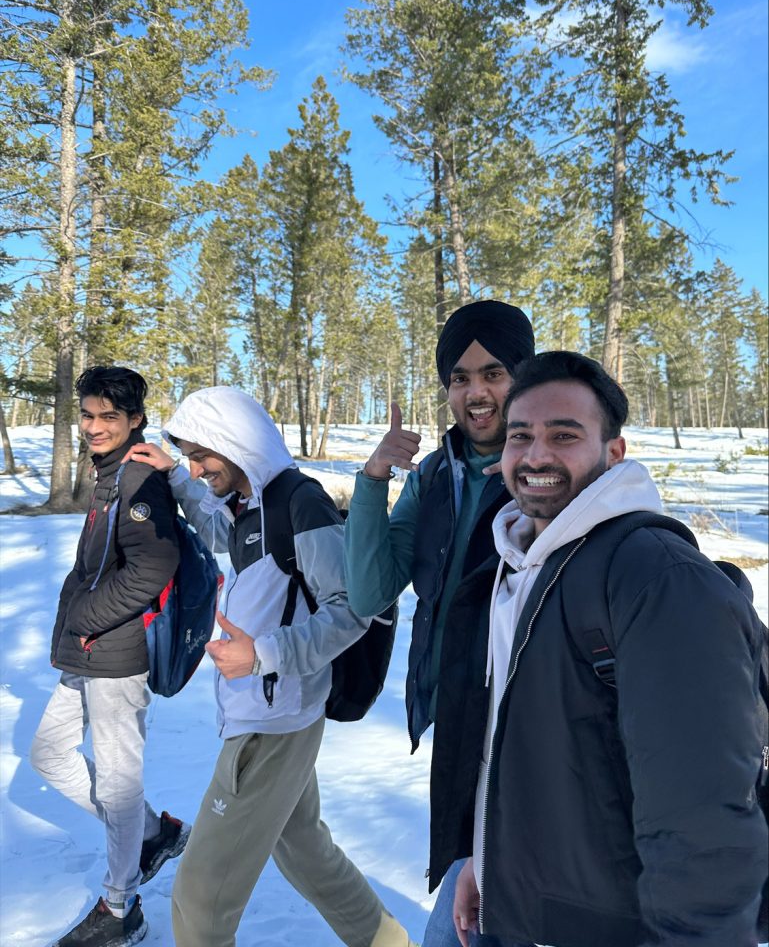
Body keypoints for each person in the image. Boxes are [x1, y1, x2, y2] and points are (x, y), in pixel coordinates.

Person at [452, 351, 768, 947]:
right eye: (521, 436)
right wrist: (487, 860)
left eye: (564, 435)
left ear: (614, 453)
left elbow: (702, 813)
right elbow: (515, 751)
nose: (537, 454)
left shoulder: (655, 576)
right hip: (522, 906)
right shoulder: (518, 563)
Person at [125, 385, 416, 947]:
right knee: (305, 850)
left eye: (200, 454)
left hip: (271, 724)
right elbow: (224, 535)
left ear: (233, 443)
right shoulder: (252, 502)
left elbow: (354, 607)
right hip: (270, 708)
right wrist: (180, 481)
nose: (195, 465)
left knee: (199, 901)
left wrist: (263, 654)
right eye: (187, 455)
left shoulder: (298, 502)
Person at [344, 300, 536, 947]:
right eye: (459, 377)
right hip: (452, 715)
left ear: (524, 375)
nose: (475, 392)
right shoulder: (434, 476)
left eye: (493, 373)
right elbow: (371, 588)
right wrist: (373, 478)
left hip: (517, 732)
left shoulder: (543, 478)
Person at [31, 366, 188, 947]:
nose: (95, 426)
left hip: (117, 655)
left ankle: (119, 907)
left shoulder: (137, 479)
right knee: (49, 752)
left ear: (135, 421)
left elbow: (155, 564)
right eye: (88, 415)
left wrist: (88, 618)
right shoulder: (108, 473)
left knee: (119, 781)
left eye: (108, 417)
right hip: (92, 650)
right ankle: (152, 832)